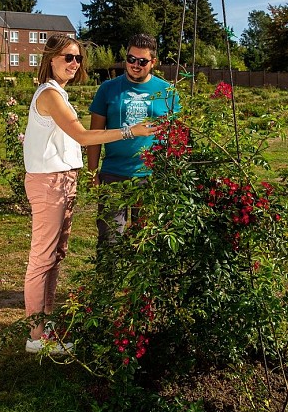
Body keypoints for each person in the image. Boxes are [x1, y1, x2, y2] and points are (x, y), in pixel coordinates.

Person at [22, 34, 156, 355]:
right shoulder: (51, 94)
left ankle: (46, 324)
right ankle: (37, 338)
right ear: (50, 59)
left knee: (56, 256)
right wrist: (130, 130)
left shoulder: (60, 94)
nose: (74, 63)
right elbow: (83, 136)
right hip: (49, 183)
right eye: (67, 57)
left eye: (78, 58)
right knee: (42, 260)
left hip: (62, 181)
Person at [87, 34, 180, 246]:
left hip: (150, 177)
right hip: (113, 175)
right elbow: (94, 135)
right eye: (131, 59)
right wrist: (93, 174)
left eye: (142, 61)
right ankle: (108, 279)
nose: (135, 65)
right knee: (109, 240)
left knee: (145, 242)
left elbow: (176, 137)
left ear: (153, 62)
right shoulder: (108, 89)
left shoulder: (167, 92)